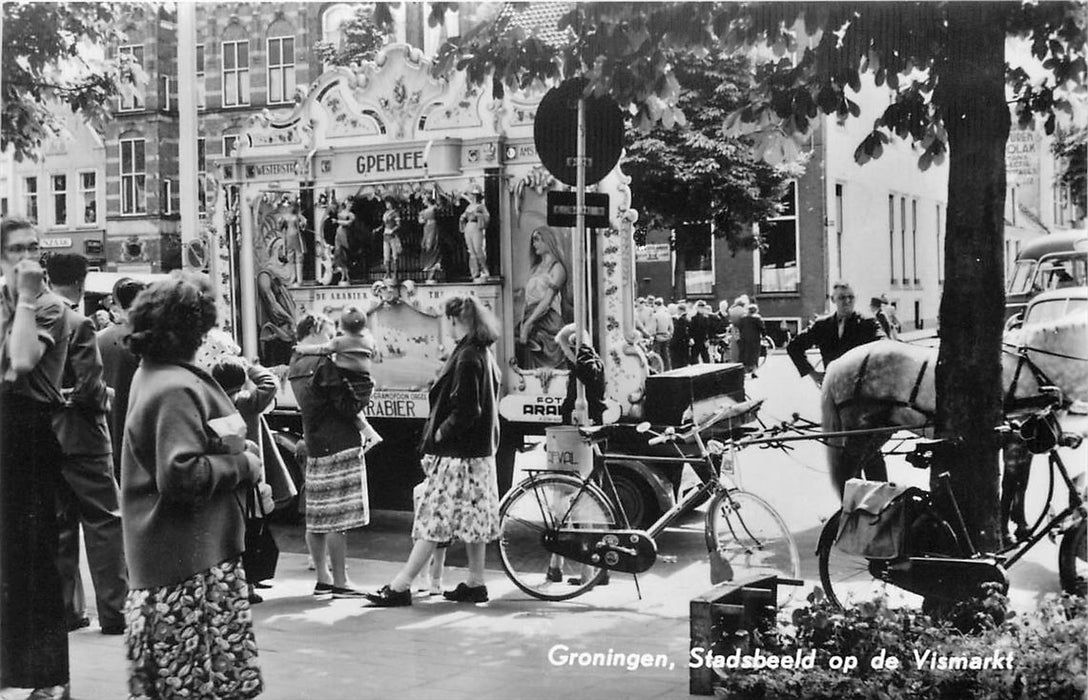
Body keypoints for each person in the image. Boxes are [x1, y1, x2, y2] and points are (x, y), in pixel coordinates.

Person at [120, 271, 264, 699]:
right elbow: (181, 473)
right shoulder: (176, 388)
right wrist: (242, 464)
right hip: (189, 569)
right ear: (190, 331)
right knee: (198, 685)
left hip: (177, 561)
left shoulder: (155, 375)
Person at [366, 296, 502, 606]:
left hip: (458, 455)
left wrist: (441, 432)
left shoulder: (467, 356)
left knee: (432, 519)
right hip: (479, 455)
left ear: (456, 321)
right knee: (474, 520)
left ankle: (401, 586)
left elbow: (468, 410)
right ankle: (475, 582)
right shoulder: (483, 353)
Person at [0, 217, 71, 700]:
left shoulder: (46, 304)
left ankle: (48, 678)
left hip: (27, 433)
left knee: (34, 558)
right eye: (16, 249)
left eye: (35, 247)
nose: (29, 257)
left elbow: (20, 362)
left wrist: (23, 298)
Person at [45, 254, 127, 637]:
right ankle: (115, 610)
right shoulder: (76, 324)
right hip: (84, 437)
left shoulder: (23, 323)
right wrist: (107, 395)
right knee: (104, 522)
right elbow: (92, 389)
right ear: (81, 282)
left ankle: (67, 611)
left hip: (45, 438)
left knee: (60, 525)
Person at [288, 314, 371, 600]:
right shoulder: (324, 365)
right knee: (339, 519)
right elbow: (347, 405)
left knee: (317, 517)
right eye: (328, 331)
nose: (333, 337)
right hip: (340, 443)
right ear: (314, 328)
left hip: (315, 442)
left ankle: (323, 578)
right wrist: (365, 388)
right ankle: (341, 581)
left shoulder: (295, 364)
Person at [787, 281, 886, 483]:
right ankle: (853, 499)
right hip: (836, 397)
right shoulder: (823, 325)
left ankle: (882, 500)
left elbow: (883, 346)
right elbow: (794, 347)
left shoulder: (867, 322)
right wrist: (813, 374)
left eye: (851, 297)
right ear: (833, 300)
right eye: (842, 298)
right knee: (844, 451)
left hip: (863, 397)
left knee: (870, 447)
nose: (847, 301)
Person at [210, 356, 279, 605]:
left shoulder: (211, 406)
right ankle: (248, 585)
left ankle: (230, 584)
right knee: (251, 531)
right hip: (250, 476)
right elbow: (270, 384)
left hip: (227, 477)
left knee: (229, 533)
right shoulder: (246, 401)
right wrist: (251, 365)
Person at [293, 306, 383, 452]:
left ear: (343, 325)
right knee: (354, 407)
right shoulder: (369, 340)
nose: (332, 338)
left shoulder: (335, 346)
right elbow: (377, 357)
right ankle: (370, 433)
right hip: (365, 381)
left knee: (350, 404)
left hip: (323, 440)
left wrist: (302, 349)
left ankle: (370, 434)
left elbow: (322, 349)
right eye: (329, 335)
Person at [97, 277, 148, 481]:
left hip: (110, 429)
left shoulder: (98, 340)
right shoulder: (156, 339)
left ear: (116, 304)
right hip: (146, 430)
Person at [516, 226, 569, 369]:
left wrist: (528, 324)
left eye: (537, 240)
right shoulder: (535, 268)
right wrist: (523, 323)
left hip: (548, 321)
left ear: (548, 241)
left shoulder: (557, 268)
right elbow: (527, 300)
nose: (534, 245)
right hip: (531, 319)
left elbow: (547, 300)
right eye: (533, 240)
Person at [556, 323, 607, 426]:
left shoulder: (587, 361)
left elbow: (586, 374)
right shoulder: (590, 360)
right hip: (587, 412)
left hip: (589, 414)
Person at [256, 269, 297, 366]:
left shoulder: (276, 277)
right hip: (276, 332)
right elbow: (272, 304)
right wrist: (289, 319)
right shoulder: (264, 276)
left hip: (286, 331)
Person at [459, 191, 490, 281]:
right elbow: (464, 215)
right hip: (469, 226)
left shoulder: (481, 206)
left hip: (476, 226)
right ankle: (475, 271)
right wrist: (462, 218)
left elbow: (487, 217)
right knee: (471, 250)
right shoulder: (469, 207)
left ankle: (484, 269)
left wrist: (478, 215)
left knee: (478, 249)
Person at [279, 202, 307, 286]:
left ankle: (297, 279)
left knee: (296, 257)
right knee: (293, 257)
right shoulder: (289, 217)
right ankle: (295, 279)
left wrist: (303, 224)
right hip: (292, 237)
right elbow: (281, 227)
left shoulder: (295, 216)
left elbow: (304, 224)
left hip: (293, 237)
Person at [735, 303, 766, 377]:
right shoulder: (758, 318)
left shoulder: (743, 318)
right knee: (754, 356)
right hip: (754, 340)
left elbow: (739, 327)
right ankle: (753, 372)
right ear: (756, 311)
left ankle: (742, 371)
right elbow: (762, 328)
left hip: (744, 340)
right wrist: (764, 336)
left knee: (743, 355)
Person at [376, 197, 402, 281]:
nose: (387, 205)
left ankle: (395, 273)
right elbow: (384, 224)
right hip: (385, 235)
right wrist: (378, 229)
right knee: (386, 255)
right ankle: (387, 273)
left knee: (394, 255)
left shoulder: (395, 213)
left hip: (393, 236)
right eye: (386, 203)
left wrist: (392, 230)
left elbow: (398, 225)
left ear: (391, 203)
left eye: (388, 203)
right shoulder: (386, 213)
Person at [419, 195, 441, 284]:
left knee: (432, 245)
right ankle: (429, 267)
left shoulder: (434, 208)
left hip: (432, 227)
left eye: (424, 199)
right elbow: (420, 221)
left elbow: (440, 205)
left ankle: (434, 265)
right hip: (427, 228)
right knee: (426, 246)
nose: (423, 201)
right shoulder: (423, 211)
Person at [332, 203, 355, 286]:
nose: (350, 205)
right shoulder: (341, 211)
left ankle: (346, 275)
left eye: (351, 204)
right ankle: (342, 275)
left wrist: (337, 221)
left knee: (344, 254)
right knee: (338, 254)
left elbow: (349, 223)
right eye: (349, 203)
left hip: (345, 234)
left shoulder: (351, 215)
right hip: (339, 233)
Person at [651, 297, 673, 371]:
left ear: (656, 305)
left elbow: (653, 329)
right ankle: (668, 370)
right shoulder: (668, 315)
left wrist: (653, 336)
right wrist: (669, 335)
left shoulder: (655, 315)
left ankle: (658, 370)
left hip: (658, 337)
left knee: (657, 355)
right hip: (666, 336)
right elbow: (671, 328)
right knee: (666, 355)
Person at [669, 302, 691, 369]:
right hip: (685, 344)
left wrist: (672, 343)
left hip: (679, 345)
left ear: (679, 310)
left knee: (678, 363)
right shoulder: (688, 319)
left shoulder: (681, 320)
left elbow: (678, 333)